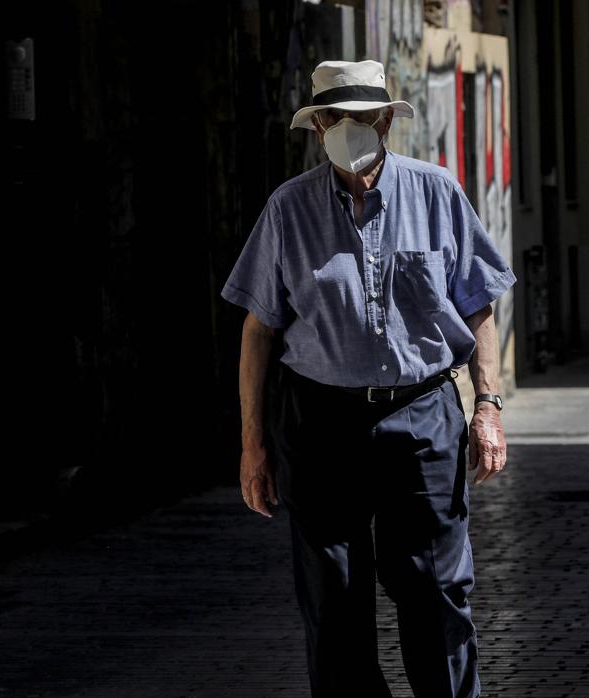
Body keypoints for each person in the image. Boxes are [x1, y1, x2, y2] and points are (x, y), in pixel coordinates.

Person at [221, 59, 516, 697]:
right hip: (320, 418)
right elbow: (258, 330)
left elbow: (479, 304)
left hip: (422, 412)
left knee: (435, 588)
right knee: (334, 597)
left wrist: (487, 405)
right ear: (316, 127)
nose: (346, 128)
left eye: (360, 117)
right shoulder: (288, 209)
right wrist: (253, 442)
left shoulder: (436, 191)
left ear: (385, 120)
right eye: (333, 118)